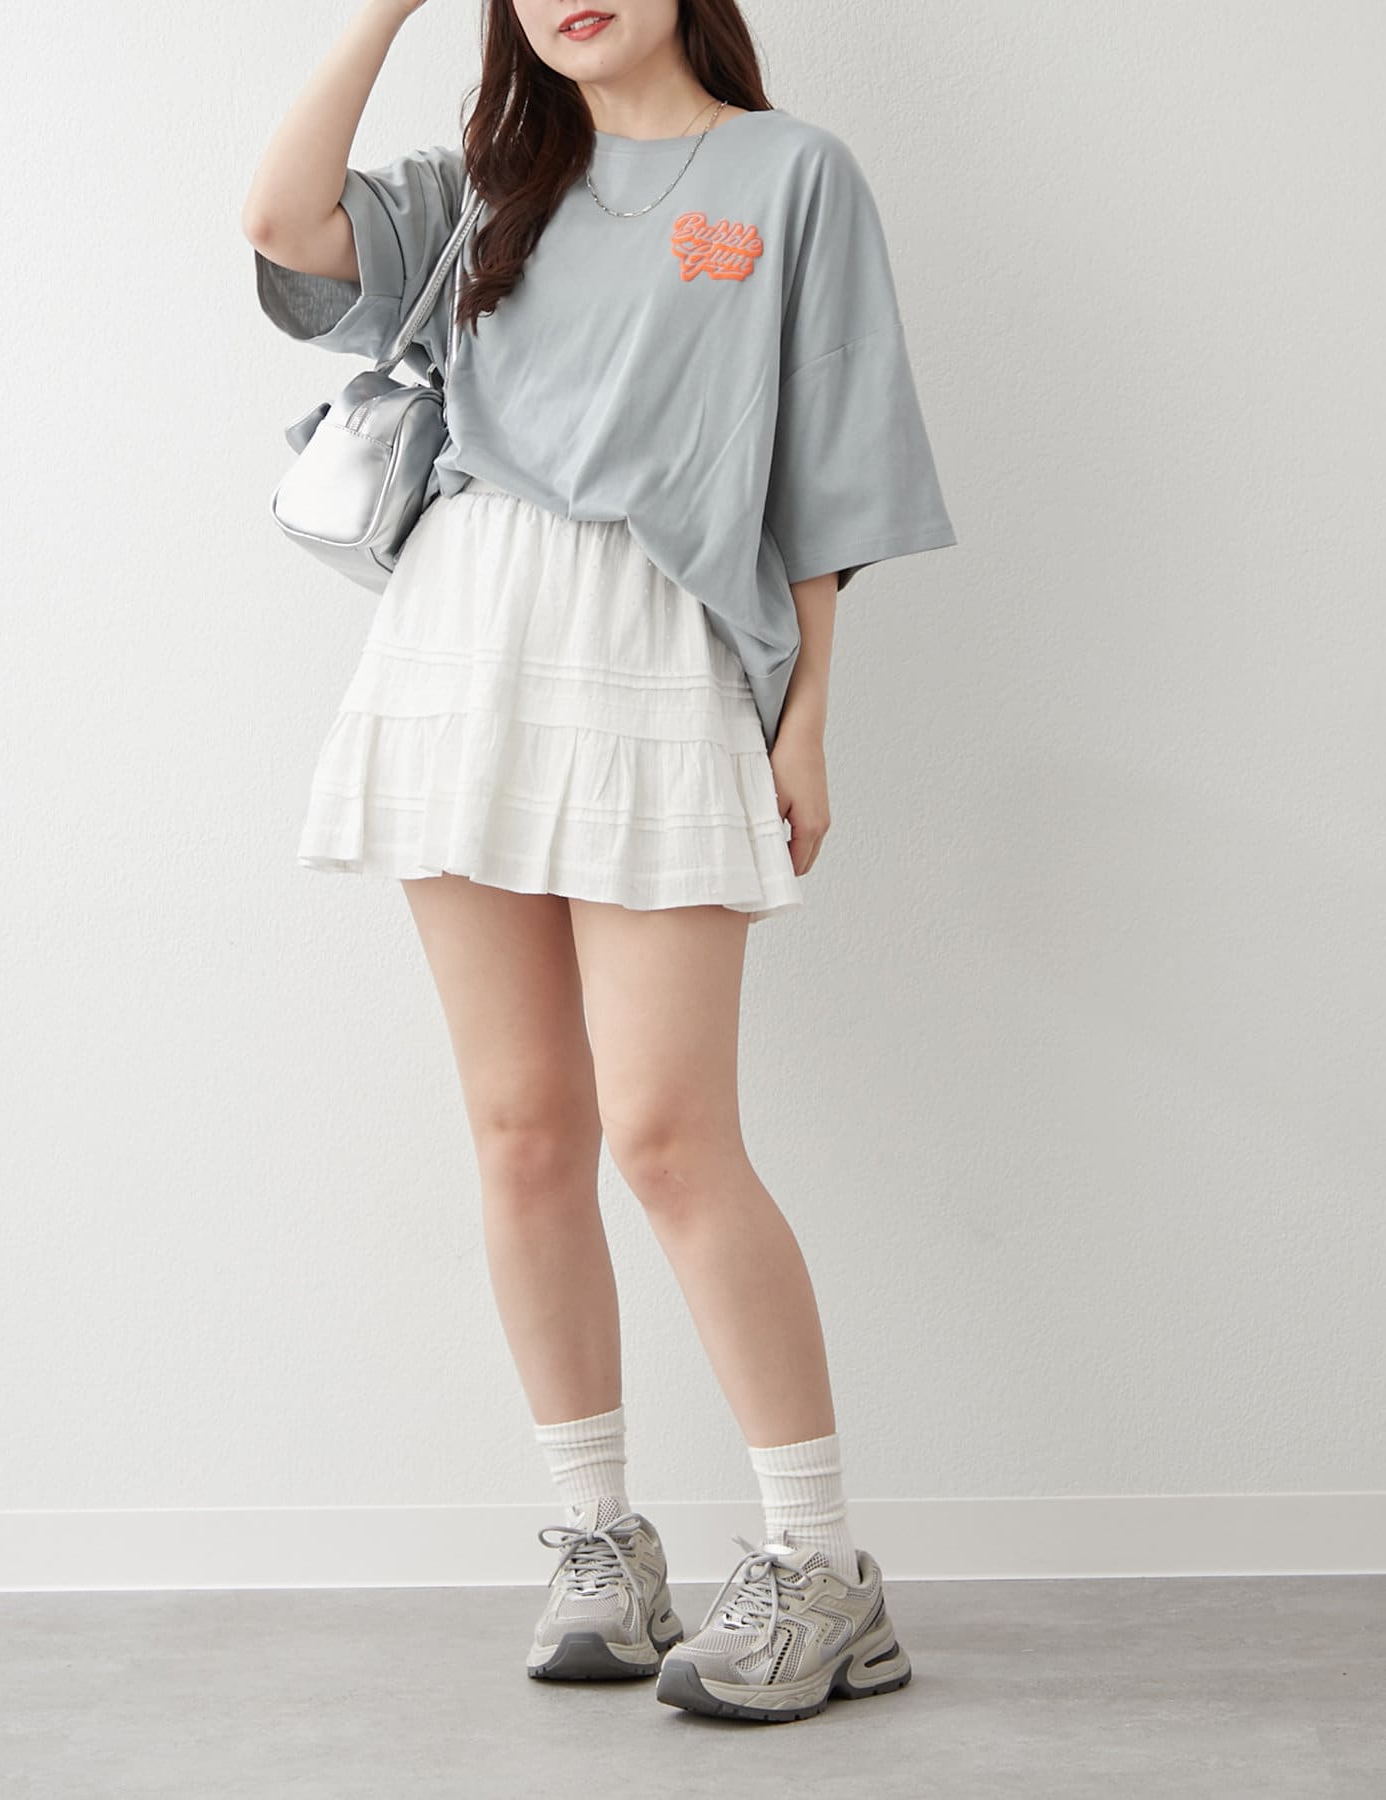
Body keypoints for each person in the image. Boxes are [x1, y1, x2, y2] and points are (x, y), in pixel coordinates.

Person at [243, 0, 955, 1724]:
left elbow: (830, 471)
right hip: (462, 649)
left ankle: (819, 1566)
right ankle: (596, 1540)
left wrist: (806, 720)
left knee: (669, 1133)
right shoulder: (490, 185)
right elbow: (280, 222)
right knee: (521, 1126)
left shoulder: (790, 175)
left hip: (654, 650)